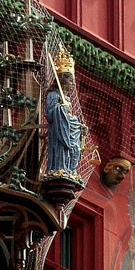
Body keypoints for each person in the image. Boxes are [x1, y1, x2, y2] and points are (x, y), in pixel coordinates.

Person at [44, 48, 82, 176]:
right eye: (70, 81)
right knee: (61, 151)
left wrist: (78, 126)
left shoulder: (67, 99)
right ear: (62, 80)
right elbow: (49, 114)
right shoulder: (54, 95)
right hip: (59, 134)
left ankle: (71, 171)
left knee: (75, 149)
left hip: (70, 132)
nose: (72, 84)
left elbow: (71, 119)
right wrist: (60, 107)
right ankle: (60, 170)